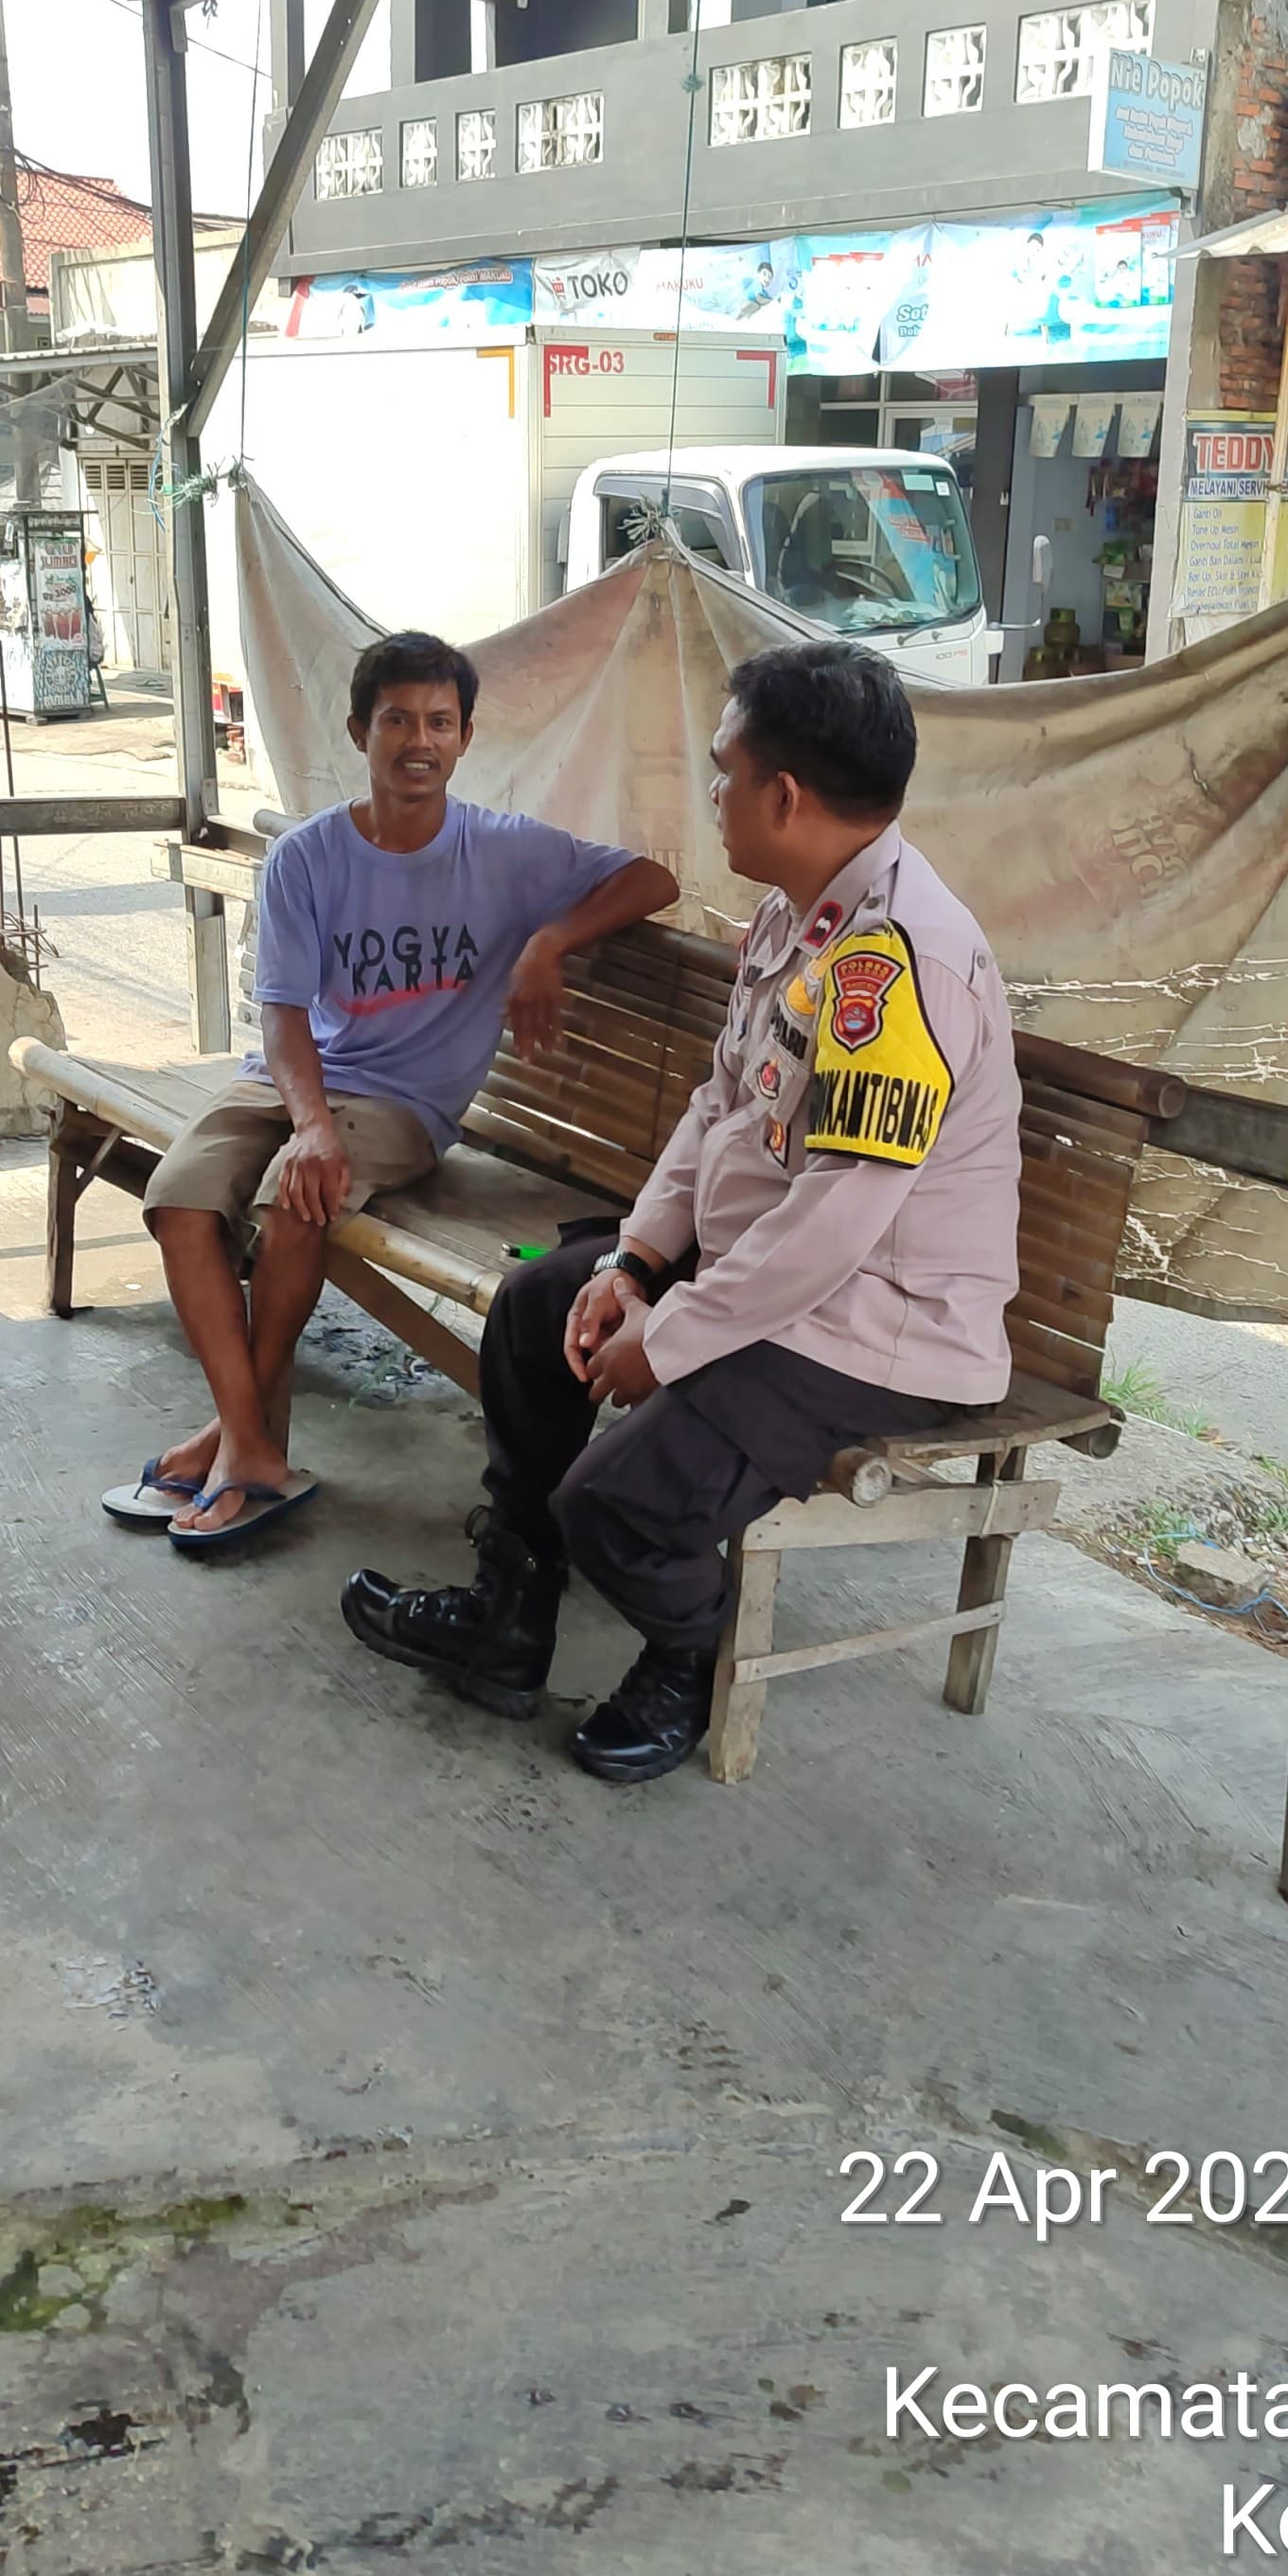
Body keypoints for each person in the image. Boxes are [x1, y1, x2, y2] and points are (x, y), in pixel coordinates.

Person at [343, 639, 1023, 1785]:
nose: (712, 793)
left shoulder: (895, 964)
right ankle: (510, 1614)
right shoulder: (797, 919)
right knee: (537, 1309)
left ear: (784, 796)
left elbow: (840, 1219)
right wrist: (638, 1264)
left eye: (723, 770)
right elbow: (723, 1105)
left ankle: (684, 1656)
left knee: (617, 1504)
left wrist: (673, 1336)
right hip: (774, 1272)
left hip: (878, 1324)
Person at [109, 629, 679, 1554]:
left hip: (405, 1106)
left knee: (294, 1204)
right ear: (359, 732)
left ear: (465, 738)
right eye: (398, 720)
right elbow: (283, 1016)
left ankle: (241, 1443)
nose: (421, 740)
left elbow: (653, 879)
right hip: (293, 1080)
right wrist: (310, 1124)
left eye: (440, 723)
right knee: (178, 1199)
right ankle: (248, 1438)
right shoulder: (308, 857)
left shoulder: (502, 851)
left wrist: (547, 942)